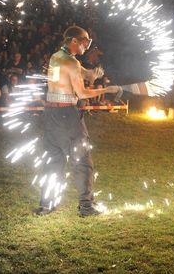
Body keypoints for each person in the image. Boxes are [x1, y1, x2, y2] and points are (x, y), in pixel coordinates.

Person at [35, 26, 119, 217]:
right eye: (85, 41)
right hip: (66, 116)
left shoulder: (56, 57)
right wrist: (106, 90)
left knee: (53, 160)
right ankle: (86, 206)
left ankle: (46, 205)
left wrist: (93, 74)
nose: (87, 45)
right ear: (74, 41)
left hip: (50, 115)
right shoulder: (70, 62)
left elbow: (83, 73)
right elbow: (81, 93)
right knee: (82, 160)